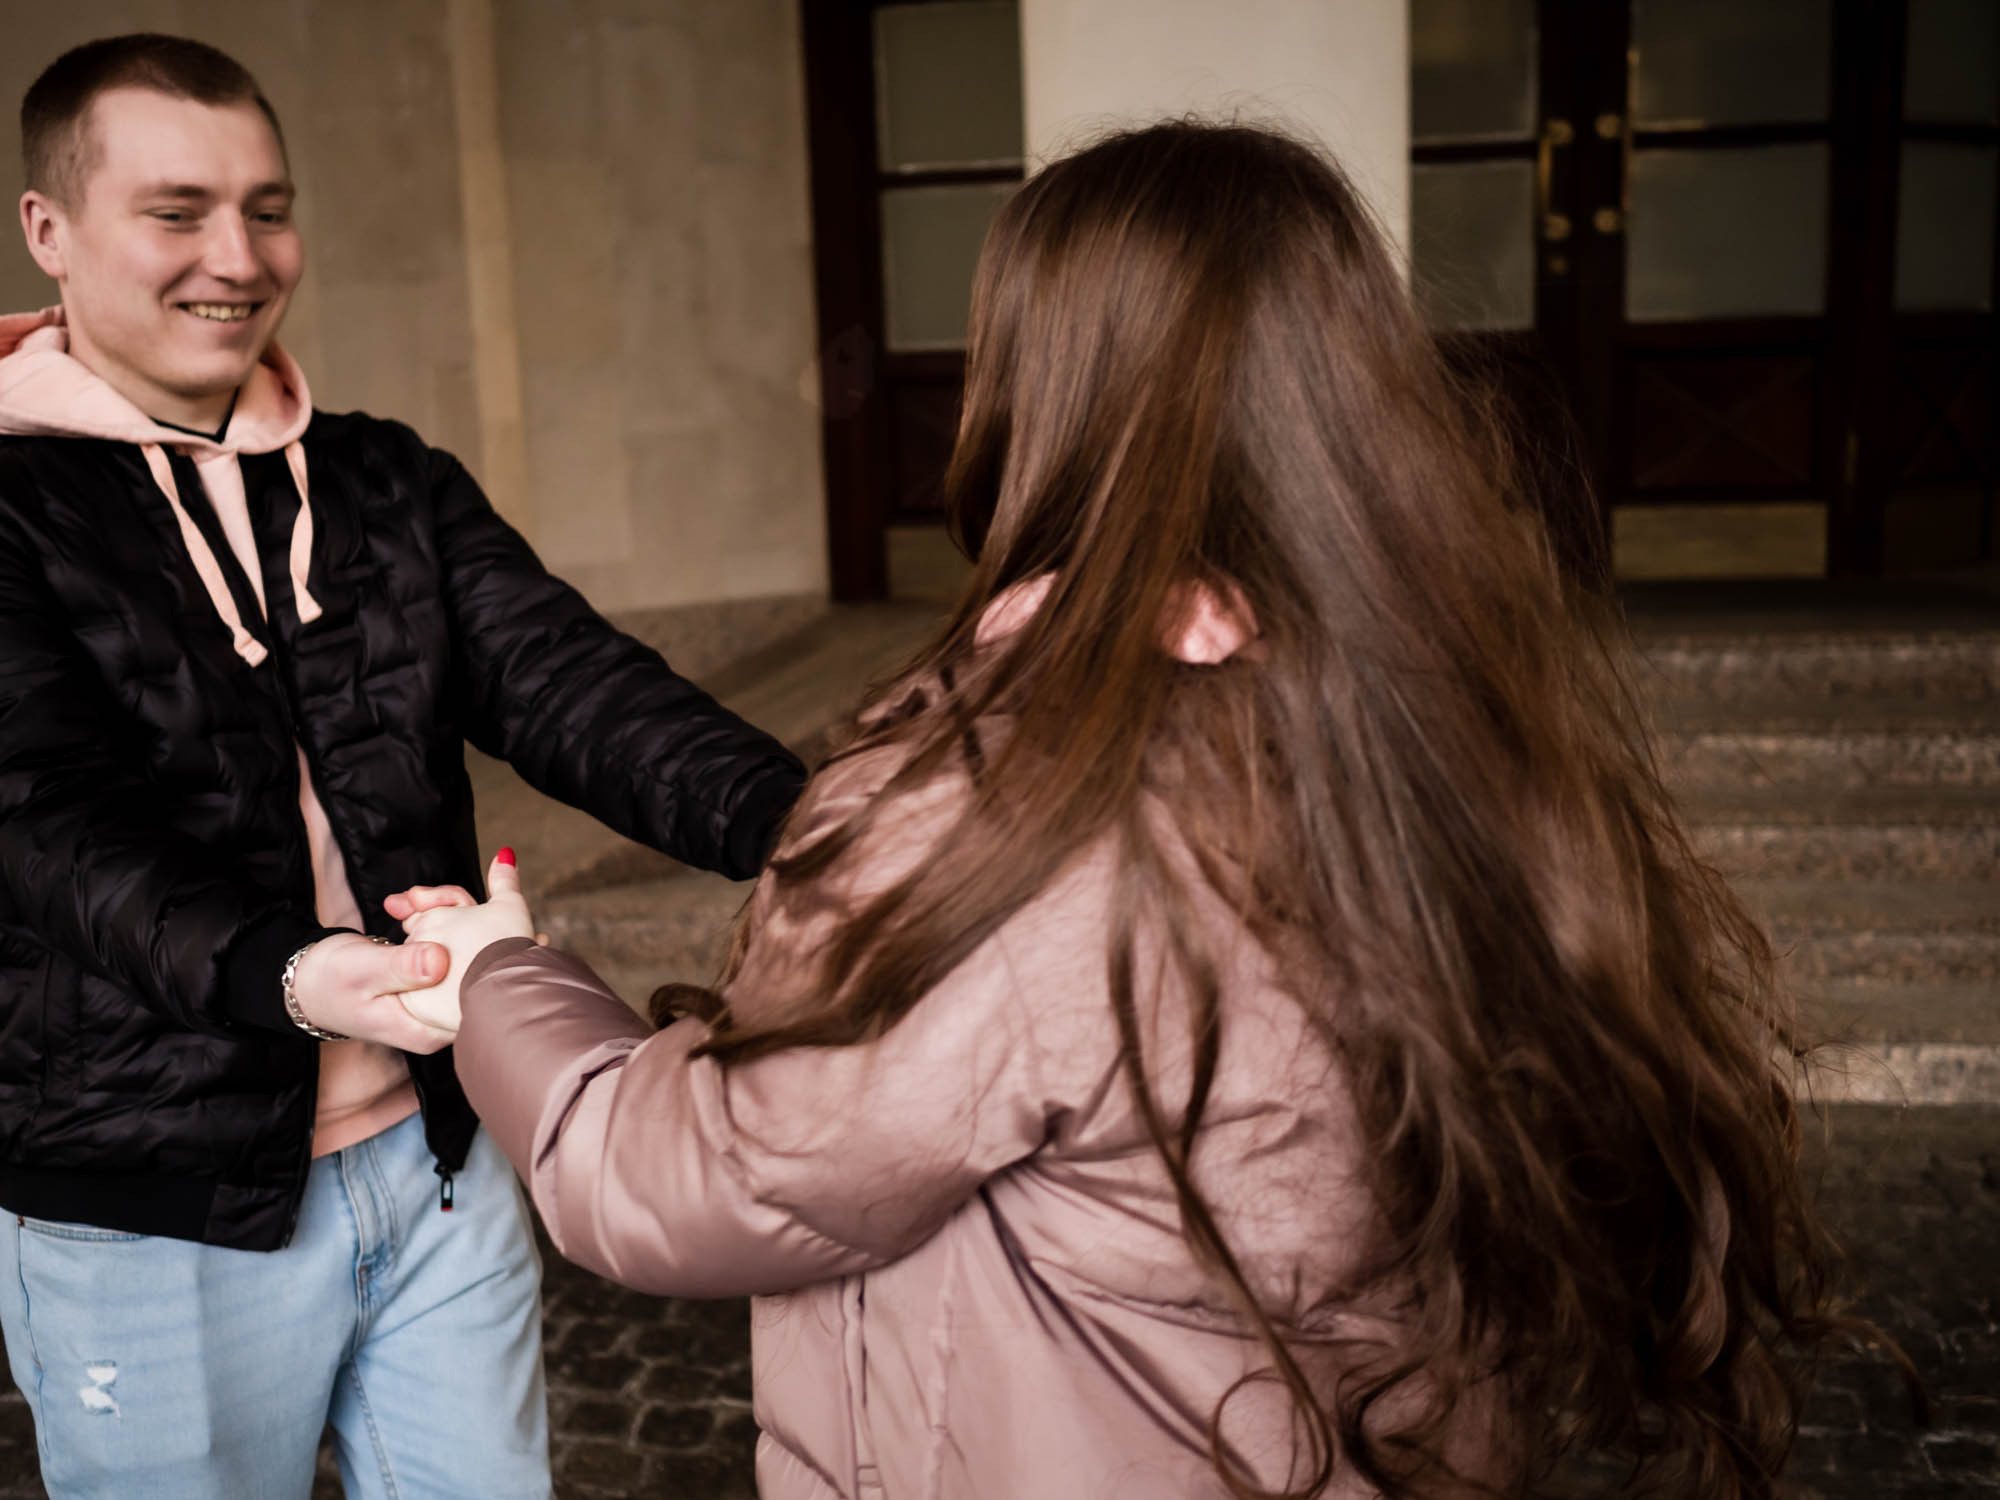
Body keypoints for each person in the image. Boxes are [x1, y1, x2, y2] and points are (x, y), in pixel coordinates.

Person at [400, 123, 1848, 1499]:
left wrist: (498, 985)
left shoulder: (1023, 803)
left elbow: (688, 1179)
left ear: (1045, 398)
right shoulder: (1442, 724)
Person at [0, 33, 803, 1500]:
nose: (236, 257)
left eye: (268, 206)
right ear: (48, 230)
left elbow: (576, 688)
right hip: (155, 1201)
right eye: (176, 212)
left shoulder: (383, 478)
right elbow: (40, 826)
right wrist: (293, 973)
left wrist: (831, 833)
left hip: (435, 1156)